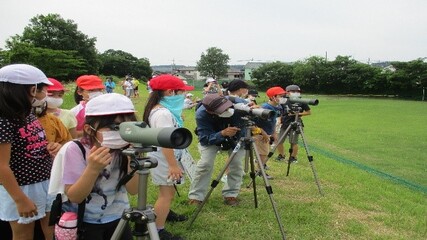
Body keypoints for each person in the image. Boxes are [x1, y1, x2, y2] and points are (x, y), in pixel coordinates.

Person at [55, 93, 139, 240]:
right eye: (114, 127)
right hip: (86, 222)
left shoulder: (125, 150)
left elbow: (134, 190)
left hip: (118, 217)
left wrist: (132, 159)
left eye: (126, 127)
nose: (120, 133)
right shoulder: (76, 149)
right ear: (89, 129)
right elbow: (75, 196)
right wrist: (93, 168)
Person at [0, 64, 55, 240]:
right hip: (21, 187)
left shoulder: (27, 113)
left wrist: (49, 147)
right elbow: (1, 165)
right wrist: (20, 199)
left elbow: (31, 143)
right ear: (32, 89)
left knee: (52, 228)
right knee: (24, 233)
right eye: (41, 89)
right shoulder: (4, 119)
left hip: (44, 181)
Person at [142, 74, 194, 240]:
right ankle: (157, 230)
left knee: (168, 191)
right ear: (170, 92)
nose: (183, 96)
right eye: (181, 92)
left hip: (165, 156)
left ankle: (165, 215)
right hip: (165, 157)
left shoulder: (160, 110)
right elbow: (166, 141)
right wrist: (172, 165)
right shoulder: (162, 113)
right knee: (166, 194)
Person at [188, 92, 249, 207]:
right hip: (212, 136)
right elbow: (205, 139)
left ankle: (231, 194)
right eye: (221, 110)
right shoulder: (202, 114)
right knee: (205, 164)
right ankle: (196, 196)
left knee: (236, 164)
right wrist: (222, 133)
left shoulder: (238, 103)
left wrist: (254, 110)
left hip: (238, 136)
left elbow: (253, 113)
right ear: (210, 111)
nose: (226, 110)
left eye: (227, 106)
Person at [253, 87, 286, 179]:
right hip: (260, 133)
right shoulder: (264, 108)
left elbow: (274, 121)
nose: (283, 98)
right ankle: (259, 171)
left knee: (264, 152)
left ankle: (260, 168)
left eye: (284, 96)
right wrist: (263, 133)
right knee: (263, 153)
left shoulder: (278, 107)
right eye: (280, 96)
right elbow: (254, 123)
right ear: (272, 97)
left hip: (268, 133)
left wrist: (274, 133)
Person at [277, 84, 311, 163]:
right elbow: (279, 110)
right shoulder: (284, 100)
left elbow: (309, 112)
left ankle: (293, 158)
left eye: (297, 91)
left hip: (296, 123)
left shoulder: (301, 101)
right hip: (284, 123)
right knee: (279, 140)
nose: (295, 92)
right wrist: (279, 119)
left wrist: (297, 114)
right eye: (293, 91)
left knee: (293, 142)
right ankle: (281, 155)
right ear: (287, 92)